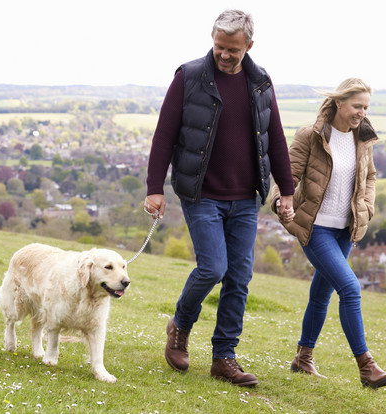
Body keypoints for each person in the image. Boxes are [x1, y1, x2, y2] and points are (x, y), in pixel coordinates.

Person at [144, 9, 295, 387]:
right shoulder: (190, 76)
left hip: (245, 197)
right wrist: (153, 187)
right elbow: (164, 134)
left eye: (232, 49)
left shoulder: (260, 82)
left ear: (249, 45)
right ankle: (179, 326)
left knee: (239, 277)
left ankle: (224, 358)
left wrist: (287, 191)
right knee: (213, 268)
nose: (224, 55)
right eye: (218, 47)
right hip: (201, 193)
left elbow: (274, 138)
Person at [268, 78, 386, 389]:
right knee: (350, 288)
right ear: (339, 103)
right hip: (315, 228)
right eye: (356, 106)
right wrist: (278, 201)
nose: (361, 113)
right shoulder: (310, 136)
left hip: (344, 230)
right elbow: (289, 174)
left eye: (365, 107)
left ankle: (303, 356)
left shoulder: (362, 139)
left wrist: (366, 207)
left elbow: (370, 177)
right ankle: (366, 366)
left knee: (321, 294)